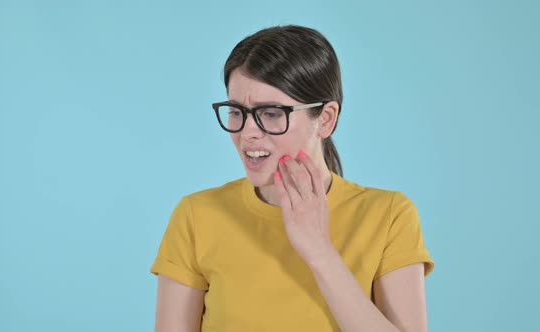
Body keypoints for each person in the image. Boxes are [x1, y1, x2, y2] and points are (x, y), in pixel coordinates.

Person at [150, 25, 434, 332]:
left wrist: (319, 250)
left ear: (325, 119)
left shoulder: (389, 216)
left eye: (271, 113)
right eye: (237, 112)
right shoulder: (196, 216)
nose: (247, 132)